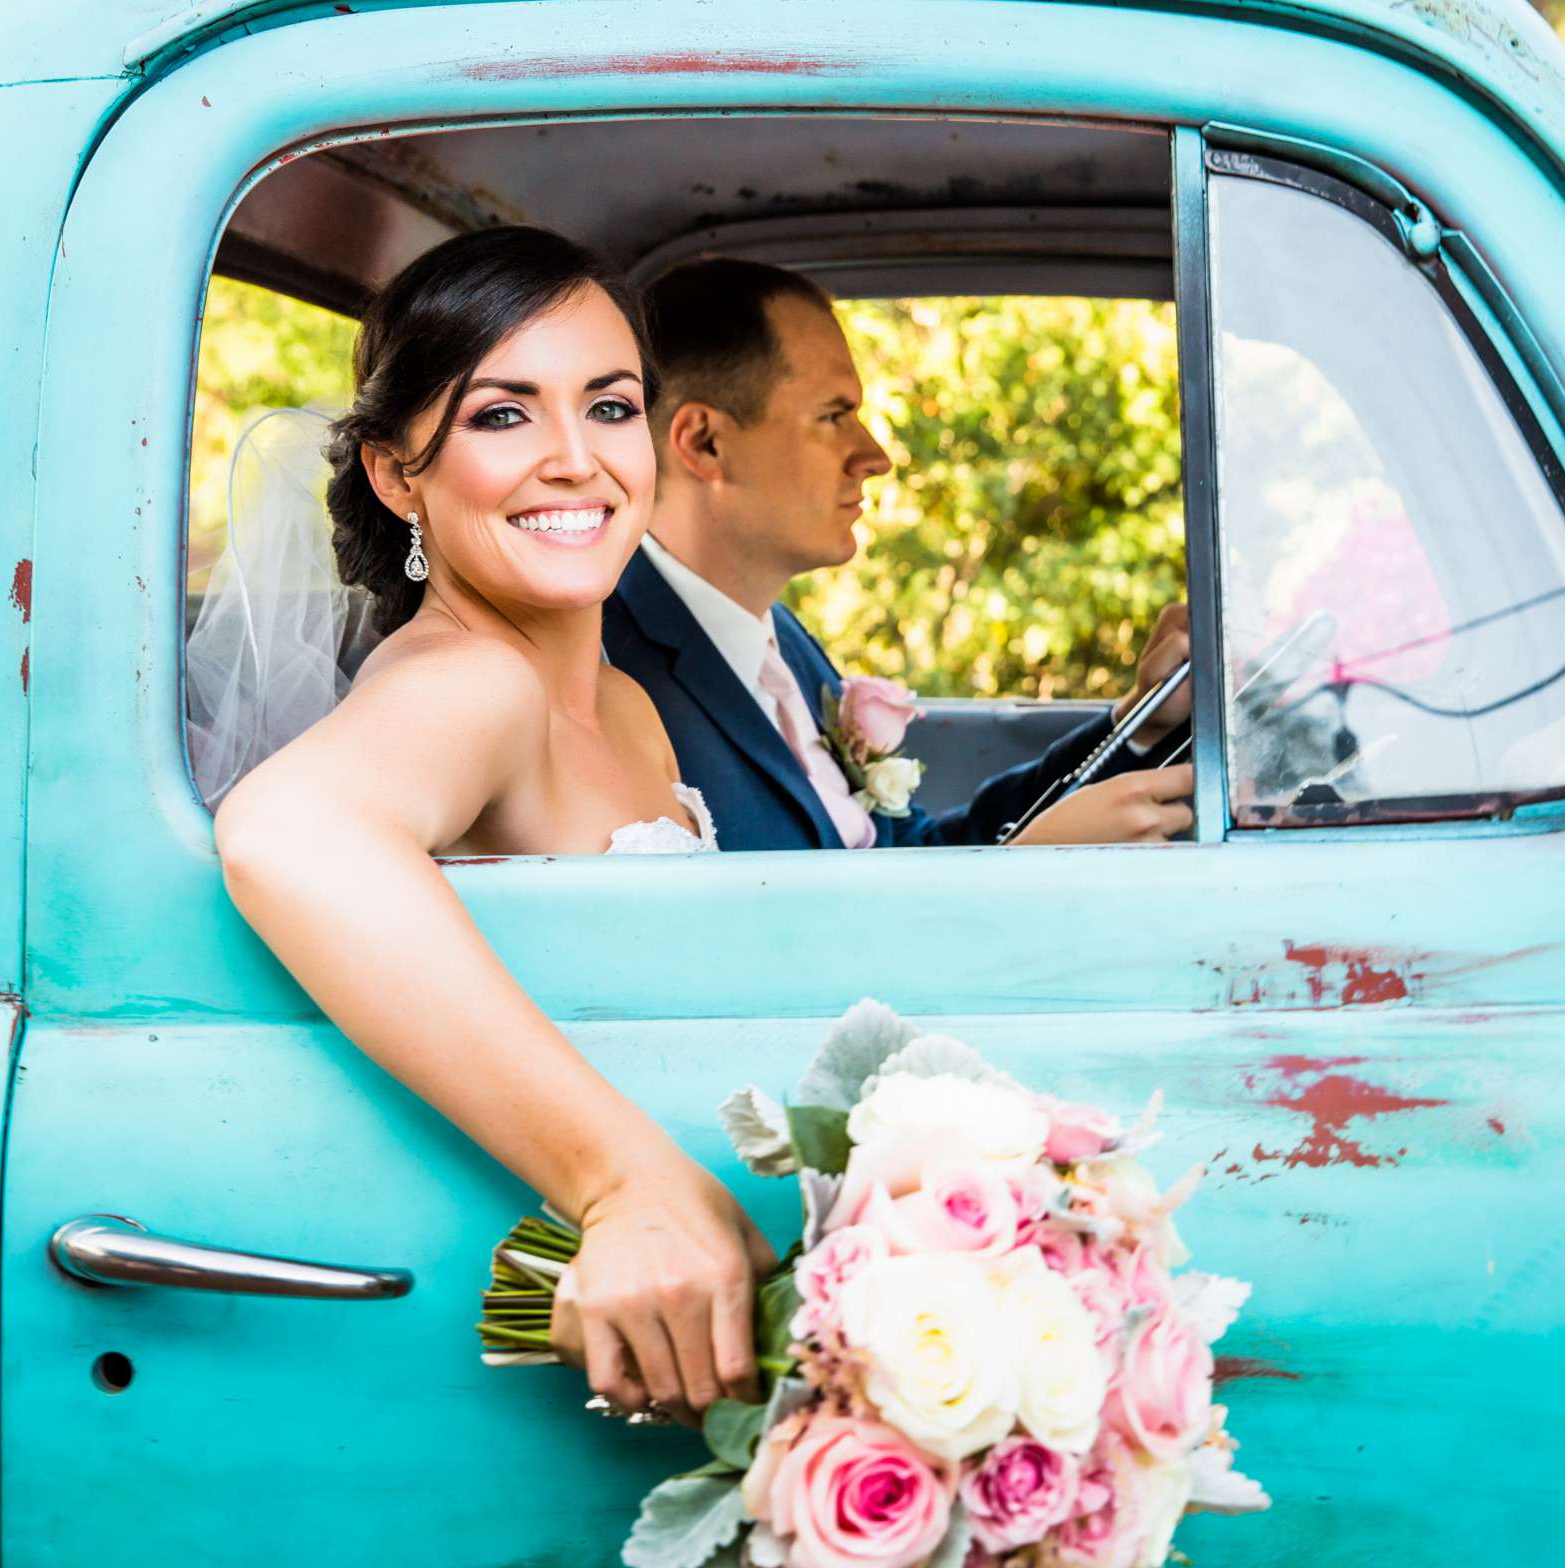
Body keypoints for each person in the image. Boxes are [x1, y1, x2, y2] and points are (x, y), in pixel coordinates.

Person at [205, 227, 771, 1430]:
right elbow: (290, 832)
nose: (576, 460)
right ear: (396, 473)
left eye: (610, 407)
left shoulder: (619, 698)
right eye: (503, 417)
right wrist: (624, 1186)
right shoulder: (472, 682)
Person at [603, 258, 1194, 851]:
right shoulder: (606, 666)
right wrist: (1016, 874)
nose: (875, 456)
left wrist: (1139, 724)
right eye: (834, 417)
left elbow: (908, 857)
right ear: (705, 443)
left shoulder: (780, 641)